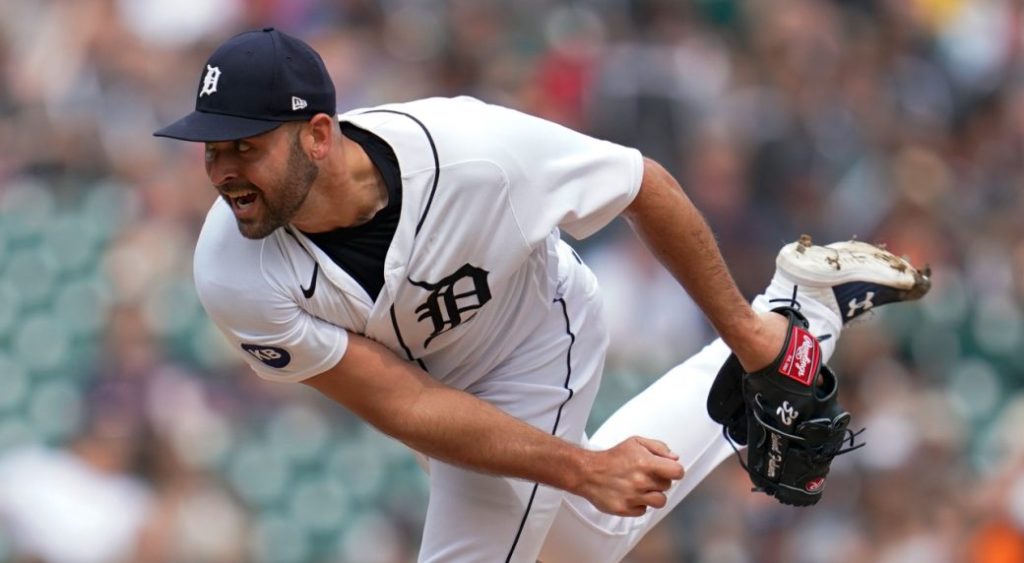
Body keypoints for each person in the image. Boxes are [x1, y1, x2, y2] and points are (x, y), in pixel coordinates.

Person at [154, 28, 930, 563]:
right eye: (212, 147)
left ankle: (775, 324)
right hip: (437, 388)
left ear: (318, 135)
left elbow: (642, 185)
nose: (222, 170)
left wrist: (743, 333)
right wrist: (580, 469)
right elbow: (407, 407)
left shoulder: (473, 154)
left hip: (535, 341)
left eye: (245, 146)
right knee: (587, 537)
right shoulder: (231, 268)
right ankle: (803, 310)